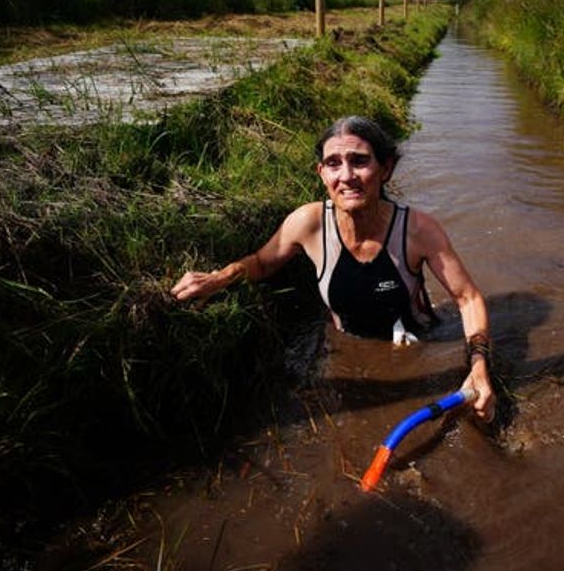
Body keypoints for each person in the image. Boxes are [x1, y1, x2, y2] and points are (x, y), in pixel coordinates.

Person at [171, 116, 496, 421]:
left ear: (386, 169)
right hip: (346, 342)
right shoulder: (308, 223)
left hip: (420, 342)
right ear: (321, 173)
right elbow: (261, 263)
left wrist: (479, 365)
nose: (346, 176)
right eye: (333, 164)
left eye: (360, 161)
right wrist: (217, 278)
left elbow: (468, 298)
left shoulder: (418, 230)